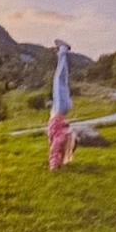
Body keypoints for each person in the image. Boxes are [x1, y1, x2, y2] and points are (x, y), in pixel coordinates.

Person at [46, 40, 77, 170]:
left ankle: (61, 52)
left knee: (61, 80)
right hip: (60, 109)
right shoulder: (60, 136)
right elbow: (55, 149)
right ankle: (63, 50)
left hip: (59, 109)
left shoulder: (60, 135)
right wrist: (53, 164)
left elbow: (56, 149)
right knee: (59, 80)